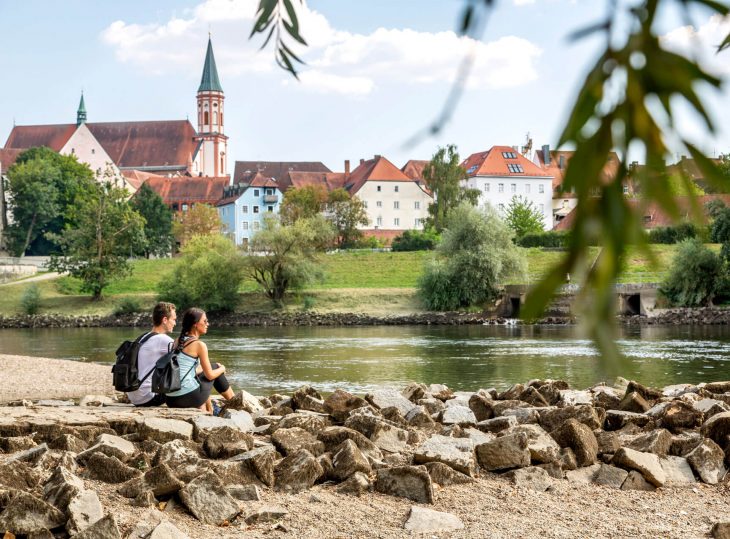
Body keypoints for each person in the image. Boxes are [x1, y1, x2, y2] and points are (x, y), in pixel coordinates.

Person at [166, 307, 234, 411]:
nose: (208, 324)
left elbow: (187, 371)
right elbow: (210, 376)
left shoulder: (177, 341)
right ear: (195, 324)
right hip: (186, 397)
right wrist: (222, 369)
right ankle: (235, 402)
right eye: (205, 321)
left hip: (171, 399)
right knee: (215, 368)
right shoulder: (199, 345)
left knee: (209, 368)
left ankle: (209, 410)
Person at [127, 302, 177, 407]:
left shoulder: (143, 337)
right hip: (148, 397)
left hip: (134, 395)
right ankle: (208, 411)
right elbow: (185, 365)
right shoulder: (164, 340)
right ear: (165, 320)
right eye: (174, 319)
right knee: (201, 374)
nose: (175, 323)